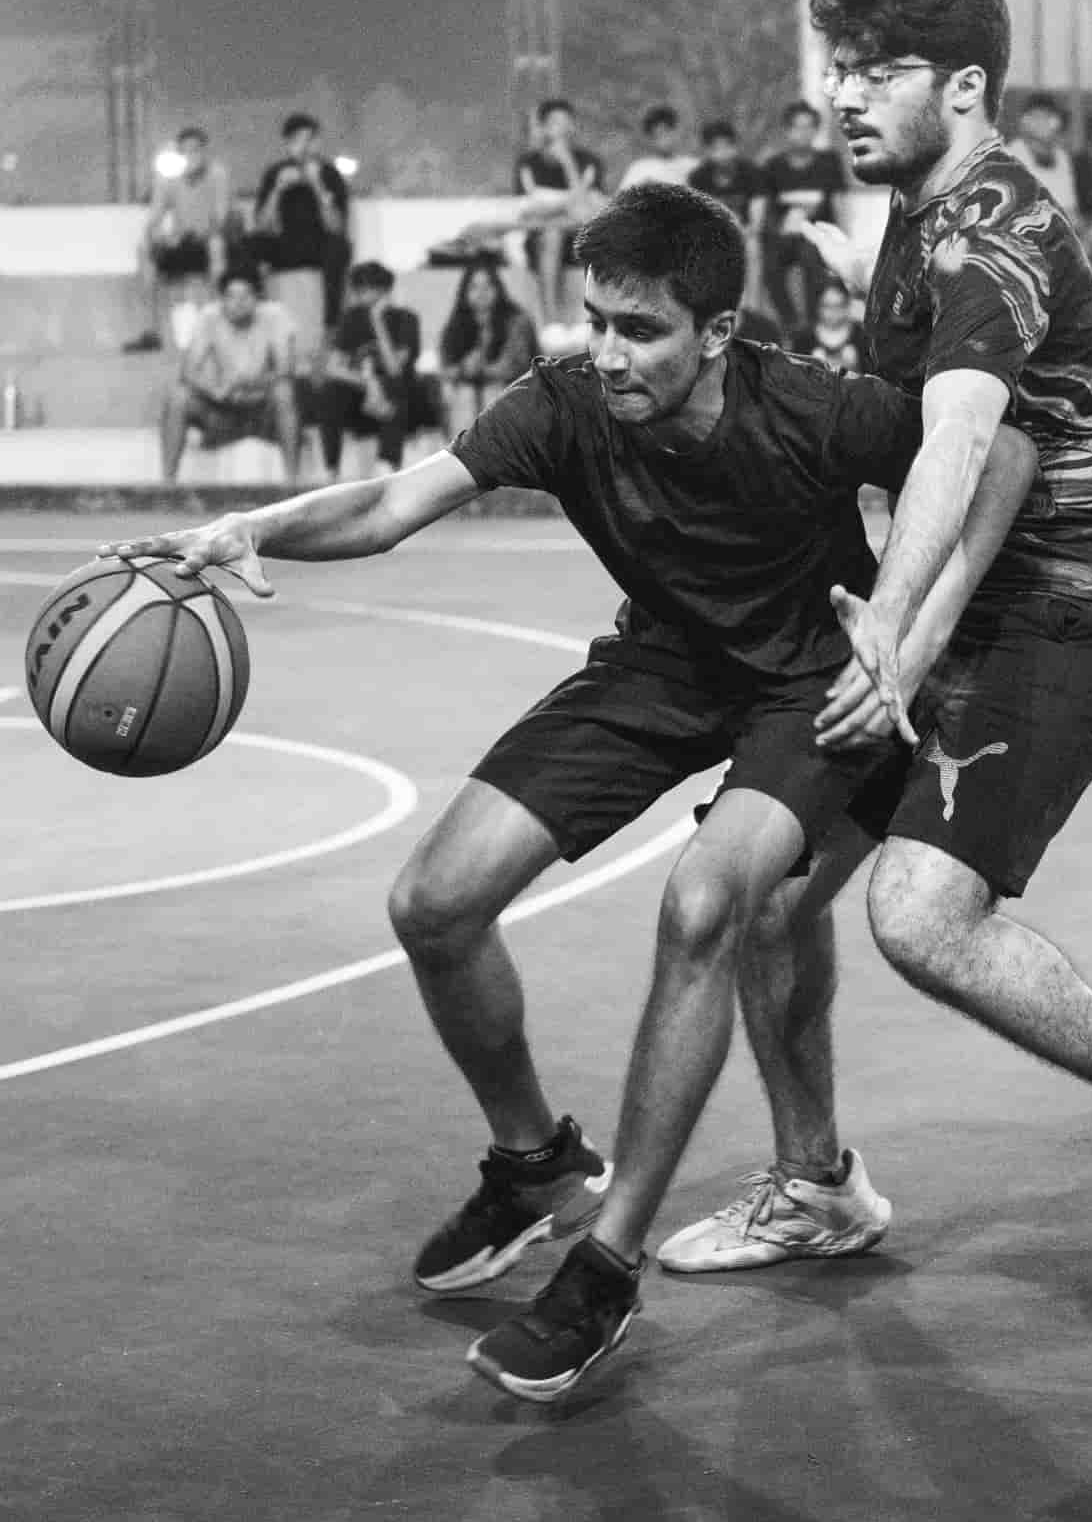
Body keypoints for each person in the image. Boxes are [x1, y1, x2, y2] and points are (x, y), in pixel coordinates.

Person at [104, 183, 1038, 1404]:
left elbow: (1004, 451)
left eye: (639, 329)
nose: (606, 351)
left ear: (716, 328)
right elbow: (393, 502)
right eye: (594, 319)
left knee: (703, 905)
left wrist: (914, 635)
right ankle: (539, 1164)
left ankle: (608, 1261)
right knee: (433, 900)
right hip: (661, 666)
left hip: (810, 683)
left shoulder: (807, 405)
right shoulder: (561, 406)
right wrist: (253, 528)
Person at [661, 0, 1092, 1309]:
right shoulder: (915, 215)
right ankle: (816, 1188)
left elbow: (964, 440)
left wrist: (891, 627)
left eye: (876, 71)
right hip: (979, 590)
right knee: (761, 888)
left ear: (966, 84)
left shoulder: (985, 227)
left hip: (1081, 590)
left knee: (922, 915)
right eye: (837, 68)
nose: (841, 95)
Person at [158, 266, 302, 484]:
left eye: (246, 296)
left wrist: (247, 383)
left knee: (284, 392)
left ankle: (292, 482)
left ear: (258, 298)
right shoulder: (209, 316)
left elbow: (286, 368)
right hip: (221, 407)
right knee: (178, 396)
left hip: (262, 406)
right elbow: (188, 371)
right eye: (231, 296)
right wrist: (215, 390)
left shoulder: (275, 315)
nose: (238, 302)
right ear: (221, 299)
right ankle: (167, 483)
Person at [253, 113, 352, 363]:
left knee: (339, 248)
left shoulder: (329, 173)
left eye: (311, 140)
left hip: (319, 245)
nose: (306, 146)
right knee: (248, 245)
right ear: (288, 144)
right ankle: (252, 317)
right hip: (285, 245)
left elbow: (337, 226)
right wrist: (277, 191)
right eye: (298, 140)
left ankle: (330, 328)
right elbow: (263, 225)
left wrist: (317, 185)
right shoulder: (275, 172)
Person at [316, 261, 425, 481]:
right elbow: (333, 368)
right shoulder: (352, 318)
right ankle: (331, 469)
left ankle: (387, 465)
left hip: (399, 399)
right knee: (331, 391)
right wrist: (369, 384)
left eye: (371, 289)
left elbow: (395, 368)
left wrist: (377, 322)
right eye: (360, 290)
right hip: (362, 397)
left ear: (386, 291)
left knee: (393, 385)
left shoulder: (406, 319)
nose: (365, 296)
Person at [514, 99, 606, 333]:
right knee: (552, 234)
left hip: (582, 237)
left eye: (567, 122)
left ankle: (596, 323)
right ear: (543, 128)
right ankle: (551, 324)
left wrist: (567, 163)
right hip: (542, 241)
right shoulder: (528, 164)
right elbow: (528, 211)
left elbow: (589, 214)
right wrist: (570, 203)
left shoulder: (588, 162)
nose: (562, 128)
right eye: (555, 122)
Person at [759, 100, 847, 344]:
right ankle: (790, 323)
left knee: (811, 257)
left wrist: (843, 240)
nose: (803, 133)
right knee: (771, 265)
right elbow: (766, 212)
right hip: (784, 238)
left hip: (819, 236)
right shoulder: (774, 166)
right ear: (787, 131)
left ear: (816, 130)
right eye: (797, 127)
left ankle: (810, 324)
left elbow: (839, 204)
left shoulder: (829, 162)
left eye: (809, 127)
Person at [138, 125, 234, 349]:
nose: (191, 155)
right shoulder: (168, 178)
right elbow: (155, 215)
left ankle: (221, 326)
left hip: (211, 239)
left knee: (216, 246)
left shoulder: (218, 174)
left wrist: (202, 234)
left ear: (205, 151)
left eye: (196, 149)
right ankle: (151, 331)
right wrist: (154, 235)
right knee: (144, 250)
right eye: (185, 150)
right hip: (182, 241)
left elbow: (220, 218)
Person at [437, 260, 539, 438]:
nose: (481, 293)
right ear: (465, 293)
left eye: (487, 286)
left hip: (514, 389)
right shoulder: (456, 324)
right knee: (463, 394)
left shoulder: (516, 319)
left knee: (491, 392)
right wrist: (464, 367)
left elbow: (515, 365)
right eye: (474, 287)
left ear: (497, 289)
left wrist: (481, 368)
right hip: (470, 392)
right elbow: (446, 368)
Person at [688, 119, 767, 308]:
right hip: (712, 237)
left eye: (727, 147)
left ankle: (751, 311)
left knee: (753, 247)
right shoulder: (698, 177)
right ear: (707, 151)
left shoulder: (752, 173)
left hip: (745, 235)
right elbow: (695, 219)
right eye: (716, 148)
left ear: (735, 147)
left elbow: (757, 221)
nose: (722, 154)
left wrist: (741, 230)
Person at [1004, 93, 1079, 215]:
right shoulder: (1010, 156)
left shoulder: (1062, 156)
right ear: (1024, 122)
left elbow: (1071, 206)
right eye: (1038, 117)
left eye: (1050, 117)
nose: (1044, 123)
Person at [617, 105, 698, 192]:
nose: (664, 140)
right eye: (658, 135)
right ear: (650, 139)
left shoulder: (692, 166)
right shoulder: (640, 169)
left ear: (676, 132)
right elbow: (622, 199)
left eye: (667, 132)